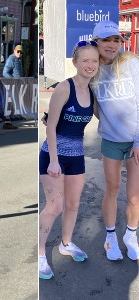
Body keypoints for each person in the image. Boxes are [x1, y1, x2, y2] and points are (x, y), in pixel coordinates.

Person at [39, 40, 100, 279]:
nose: (90, 65)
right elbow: (50, 126)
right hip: (54, 156)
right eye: (85, 60)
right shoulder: (65, 88)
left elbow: (105, 117)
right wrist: (54, 160)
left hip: (77, 157)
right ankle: (42, 254)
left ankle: (66, 244)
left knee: (73, 205)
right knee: (55, 206)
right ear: (75, 63)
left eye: (94, 60)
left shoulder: (92, 91)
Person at [90, 20, 139, 261]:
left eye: (116, 40)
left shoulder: (131, 63)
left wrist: (138, 141)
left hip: (135, 141)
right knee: (112, 189)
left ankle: (131, 235)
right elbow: (77, 94)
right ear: (96, 42)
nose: (111, 45)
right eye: (106, 40)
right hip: (110, 139)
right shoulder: (92, 69)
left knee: (134, 195)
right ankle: (110, 238)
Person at [2, 44, 23, 130]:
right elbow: (5, 72)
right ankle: (7, 122)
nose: (19, 53)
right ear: (14, 51)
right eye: (18, 52)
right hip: (11, 84)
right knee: (9, 103)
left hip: (16, 84)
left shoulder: (18, 59)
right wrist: (13, 80)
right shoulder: (11, 59)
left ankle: (8, 121)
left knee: (12, 103)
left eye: (21, 52)